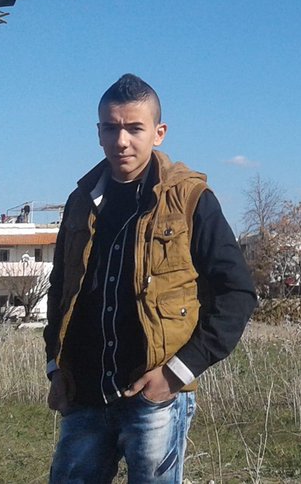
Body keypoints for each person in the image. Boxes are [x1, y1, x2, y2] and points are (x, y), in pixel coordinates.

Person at [45, 73, 256, 484]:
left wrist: (176, 373)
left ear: (159, 133)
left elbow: (237, 292)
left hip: (154, 398)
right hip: (83, 395)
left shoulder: (190, 199)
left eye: (134, 128)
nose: (122, 140)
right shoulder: (80, 201)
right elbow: (60, 289)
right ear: (99, 133)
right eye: (111, 128)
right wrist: (55, 367)